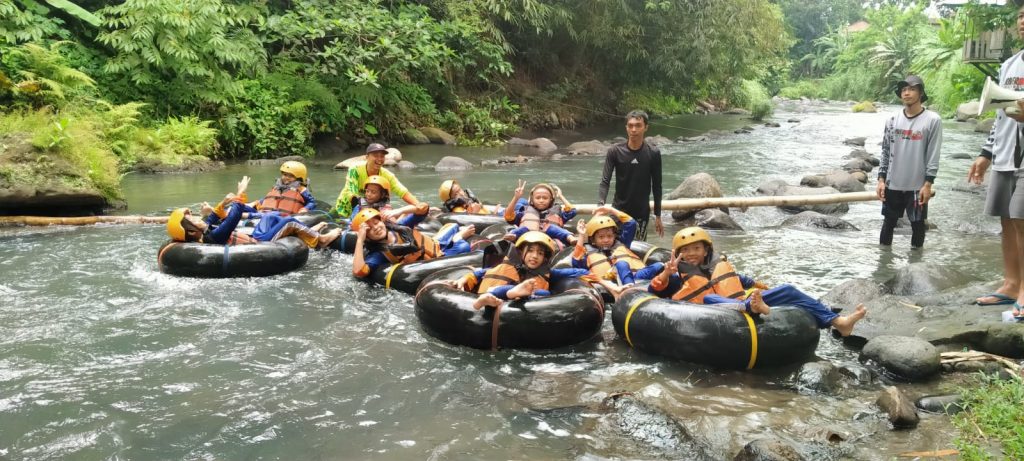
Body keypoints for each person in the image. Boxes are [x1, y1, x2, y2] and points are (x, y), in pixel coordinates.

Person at [647, 227, 867, 336]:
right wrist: (667, 273)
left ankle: (840, 322)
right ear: (679, 254)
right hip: (712, 315)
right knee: (710, 296)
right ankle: (749, 307)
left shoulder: (717, 266)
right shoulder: (677, 276)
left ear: (706, 250)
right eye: (686, 251)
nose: (692, 253)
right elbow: (653, 289)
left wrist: (760, 286)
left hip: (742, 302)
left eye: (697, 248)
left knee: (788, 290)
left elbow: (741, 280)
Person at [969, 4, 1024, 313]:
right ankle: (1012, 283)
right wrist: (985, 154)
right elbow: (999, 115)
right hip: (1004, 154)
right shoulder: (1009, 65)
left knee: (1022, 219)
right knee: (1006, 219)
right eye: (1020, 17)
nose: (1023, 23)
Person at [167, 176, 341, 248]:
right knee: (289, 222)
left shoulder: (205, 229)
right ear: (191, 231)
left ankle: (309, 232)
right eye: (191, 218)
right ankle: (320, 239)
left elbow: (212, 216)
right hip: (259, 242)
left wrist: (224, 202)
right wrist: (240, 193)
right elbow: (234, 217)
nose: (197, 217)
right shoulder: (213, 236)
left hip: (255, 235)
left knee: (271, 215)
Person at [876, 75, 942, 249]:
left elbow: (933, 154)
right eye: (904, 90)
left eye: (912, 89)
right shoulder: (892, 120)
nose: (907, 93)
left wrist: (928, 183)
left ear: (920, 93)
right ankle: (883, 266)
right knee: (888, 223)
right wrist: (881, 180)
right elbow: (885, 150)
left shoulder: (933, 120)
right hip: (893, 183)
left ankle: (916, 267)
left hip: (917, 185)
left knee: (918, 225)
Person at [454, 231, 589, 309]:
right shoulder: (509, 265)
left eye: (540, 253)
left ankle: (511, 294)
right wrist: (465, 278)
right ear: (520, 253)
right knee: (503, 290)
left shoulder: (548, 273)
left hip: (515, 303)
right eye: (530, 251)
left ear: (545, 258)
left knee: (543, 292)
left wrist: (581, 239)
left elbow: (577, 272)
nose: (534, 256)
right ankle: (486, 300)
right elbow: (482, 272)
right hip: (492, 294)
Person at [350, 206, 476, 279]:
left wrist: (400, 211)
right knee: (463, 246)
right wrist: (360, 240)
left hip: (435, 244)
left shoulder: (400, 226)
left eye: (376, 222)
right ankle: (457, 238)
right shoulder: (379, 254)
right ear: (367, 236)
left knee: (453, 225)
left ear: (382, 221)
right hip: (437, 260)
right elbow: (359, 271)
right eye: (370, 229)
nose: (376, 227)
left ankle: (453, 236)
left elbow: (423, 209)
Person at [598, 110, 664, 240]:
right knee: (612, 248)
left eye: (638, 125)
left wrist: (658, 216)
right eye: (630, 125)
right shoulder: (615, 151)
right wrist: (600, 206)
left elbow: (657, 186)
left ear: (646, 127)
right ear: (626, 128)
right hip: (618, 211)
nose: (634, 129)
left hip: (641, 213)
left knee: (636, 253)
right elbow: (605, 181)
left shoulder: (653, 153)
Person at [570, 206, 664, 294]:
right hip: (608, 285)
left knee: (660, 265)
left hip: (636, 276)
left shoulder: (622, 242)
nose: (606, 240)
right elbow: (576, 264)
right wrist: (581, 235)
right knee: (621, 263)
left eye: (609, 236)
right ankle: (631, 292)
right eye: (601, 237)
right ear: (593, 239)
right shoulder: (587, 252)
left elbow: (631, 223)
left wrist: (611, 210)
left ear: (614, 236)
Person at [333, 143, 421, 219]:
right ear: (367, 157)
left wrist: (419, 206)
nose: (379, 159)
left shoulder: (387, 175)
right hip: (346, 208)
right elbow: (352, 193)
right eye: (375, 156)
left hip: (372, 208)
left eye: (382, 156)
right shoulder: (355, 169)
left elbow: (403, 192)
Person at [504, 180, 577, 245]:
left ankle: (569, 237)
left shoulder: (556, 212)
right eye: (538, 198)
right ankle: (512, 236)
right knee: (522, 229)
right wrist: (516, 198)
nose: (541, 200)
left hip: (550, 239)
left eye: (545, 198)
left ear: (551, 200)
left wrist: (560, 196)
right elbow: (509, 217)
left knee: (553, 228)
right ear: (532, 199)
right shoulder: (525, 211)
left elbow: (572, 211)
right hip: (528, 236)